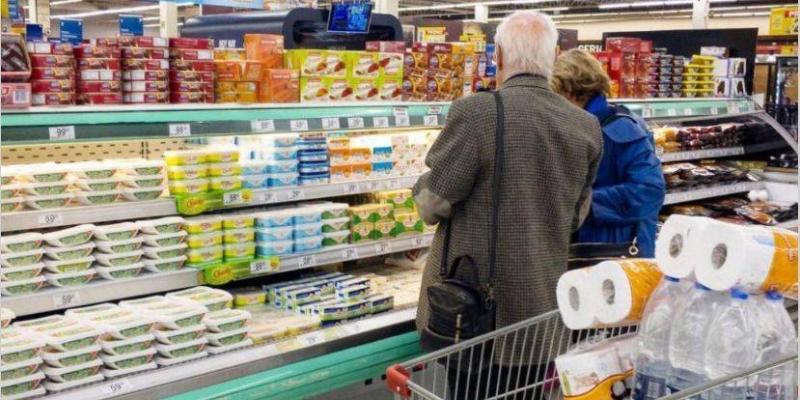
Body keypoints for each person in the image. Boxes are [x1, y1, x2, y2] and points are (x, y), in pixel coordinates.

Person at [412, 11, 603, 399]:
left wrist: (420, 184)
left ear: (497, 55)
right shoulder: (585, 126)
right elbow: (576, 216)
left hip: (475, 317)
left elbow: (432, 204)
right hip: (541, 314)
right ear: (553, 56)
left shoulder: (476, 113)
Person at [551, 49, 665, 259]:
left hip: (615, 253)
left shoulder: (619, 130)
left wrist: (586, 205)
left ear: (571, 91)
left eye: (556, 94)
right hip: (589, 250)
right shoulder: (580, 126)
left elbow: (650, 190)